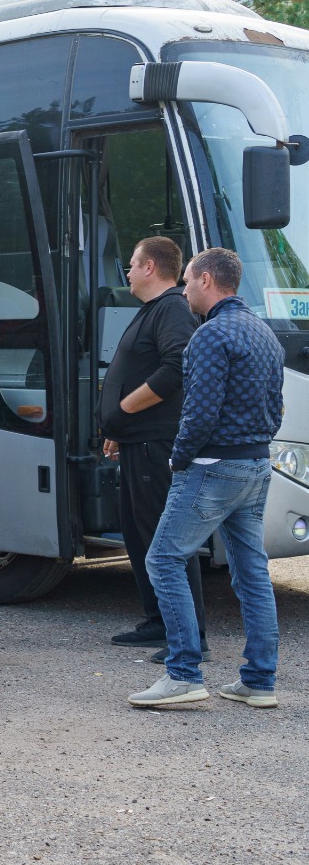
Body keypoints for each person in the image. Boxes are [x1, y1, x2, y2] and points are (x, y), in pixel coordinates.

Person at [131, 247, 284, 709]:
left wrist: (178, 460)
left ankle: (182, 674)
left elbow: (198, 413)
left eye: (188, 281)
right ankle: (259, 681)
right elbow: (276, 412)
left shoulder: (210, 336)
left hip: (212, 468)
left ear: (205, 280)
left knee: (162, 560)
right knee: (252, 573)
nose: (183, 289)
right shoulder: (265, 334)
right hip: (257, 466)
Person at [100, 236, 206, 658]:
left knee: (166, 540)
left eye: (131, 264)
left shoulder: (173, 308)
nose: (126, 272)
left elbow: (177, 366)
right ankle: (158, 621)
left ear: (149, 268)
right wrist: (118, 426)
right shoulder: (153, 310)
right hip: (135, 440)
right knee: (140, 536)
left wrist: (124, 408)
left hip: (153, 443)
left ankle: (190, 634)